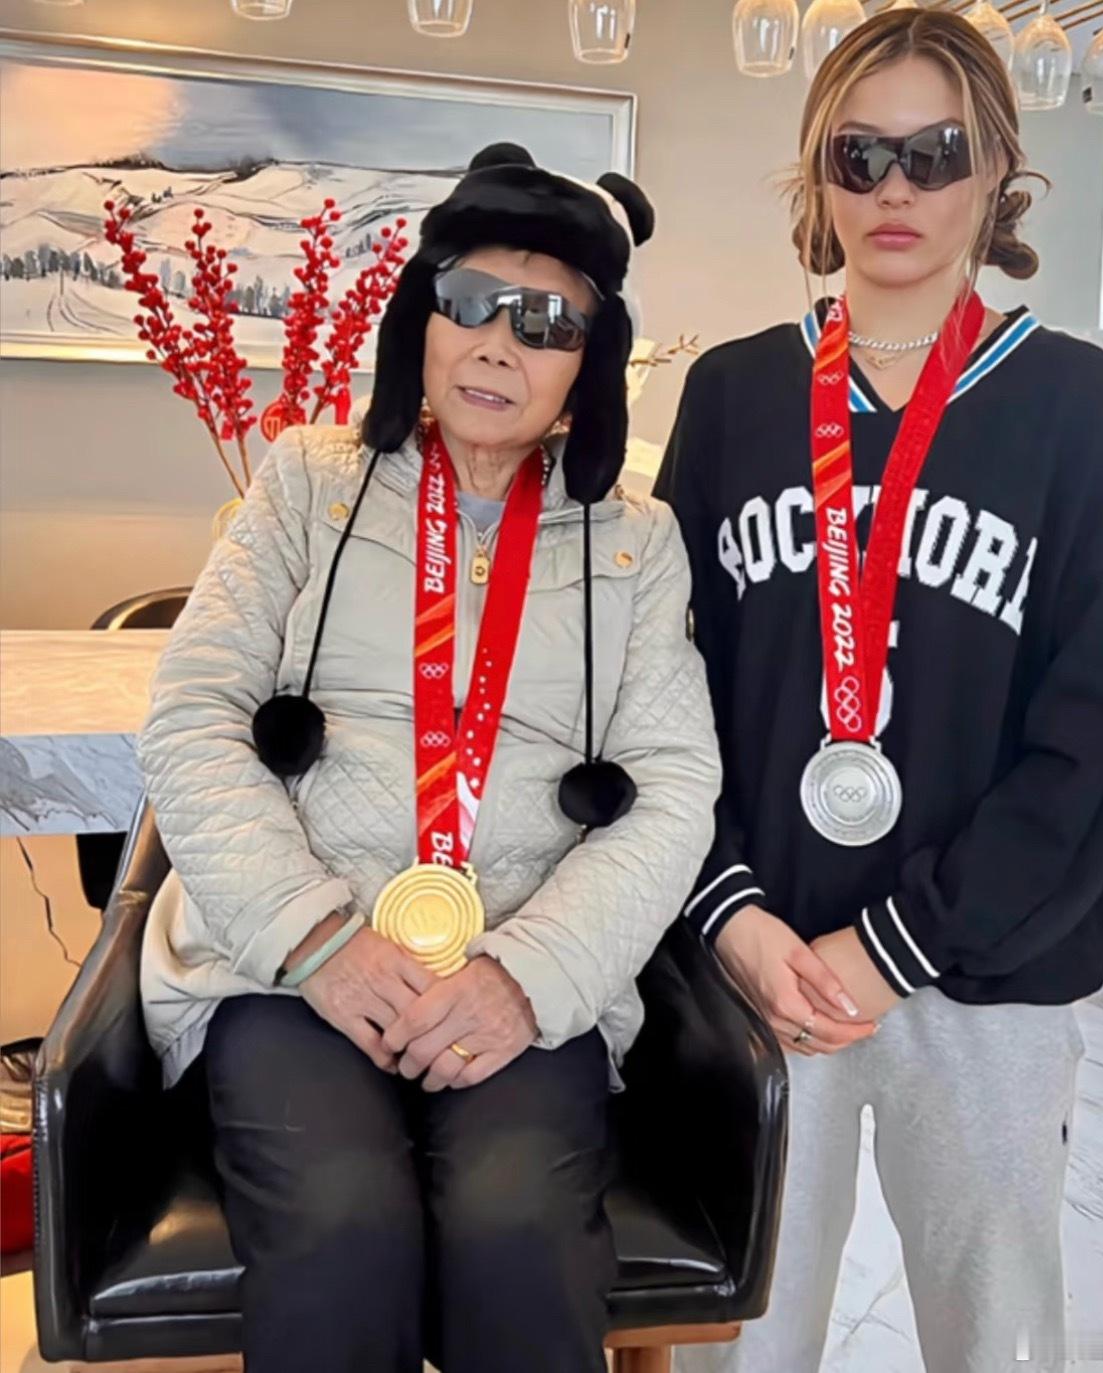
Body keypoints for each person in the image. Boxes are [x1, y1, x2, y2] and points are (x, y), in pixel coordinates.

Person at [135, 143, 721, 1373]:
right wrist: (317, 936)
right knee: (341, 1221)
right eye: (472, 301)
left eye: (548, 320)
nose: (501, 343)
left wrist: (526, 973)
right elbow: (192, 717)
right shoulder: (307, 482)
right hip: (288, 967)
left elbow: (671, 789)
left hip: (521, 974)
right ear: (422, 318)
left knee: (518, 1230)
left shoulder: (637, 539)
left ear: (589, 363)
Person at [656, 12, 1103, 1373]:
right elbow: (656, 692)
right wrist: (733, 913)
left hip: (986, 974)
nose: (894, 188)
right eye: (858, 154)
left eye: (933, 153)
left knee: (997, 1344)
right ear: (816, 177)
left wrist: (899, 942)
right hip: (758, 963)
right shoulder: (735, 394)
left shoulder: (1072, 403)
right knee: (739, 1345)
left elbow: (1101, 733)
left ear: (996, 173)